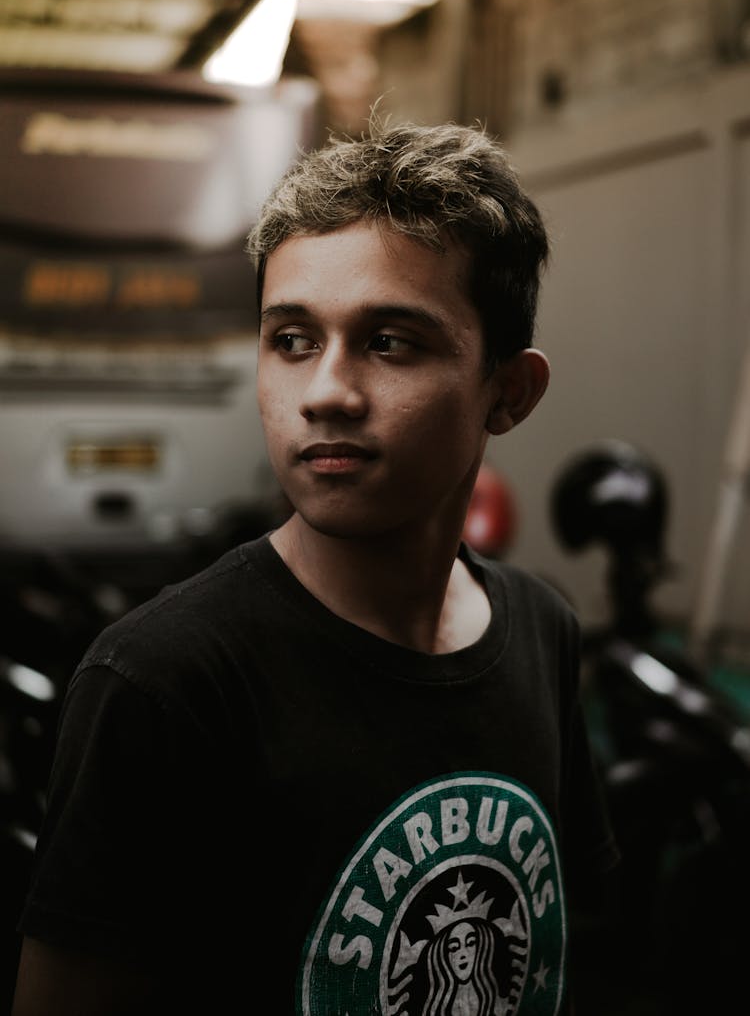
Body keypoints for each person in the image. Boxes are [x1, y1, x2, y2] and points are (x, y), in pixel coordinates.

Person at [11, 119, 619, 1015]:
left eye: (390, 342)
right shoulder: (163, 682)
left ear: (509, 392)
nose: (326, 391)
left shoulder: (542, 627)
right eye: (291, 338)